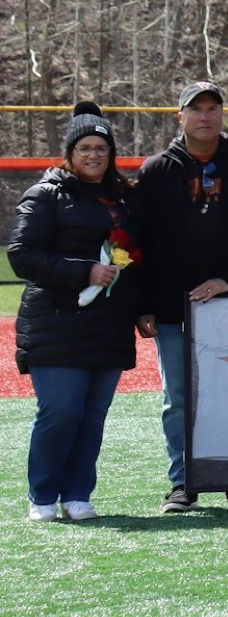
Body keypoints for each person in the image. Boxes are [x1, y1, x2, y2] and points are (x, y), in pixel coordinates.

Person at [132, 81, 228, 512]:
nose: (206, 116)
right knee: (178, 398)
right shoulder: (157, 169)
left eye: (213, 108)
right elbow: (136, 241)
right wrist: (141, 303)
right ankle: (184, 482)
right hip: (172, 306)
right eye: (196, 109)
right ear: (181, 117)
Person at [9, 103, 144, 521]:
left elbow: (138, 260)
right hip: (56, 321)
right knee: (61, 411)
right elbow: (22, 256)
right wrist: (85, 270)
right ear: (69, 153)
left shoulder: (124, 198)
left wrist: (142, 308)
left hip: (108, 324)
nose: (93, 155)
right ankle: (43, 495)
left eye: (101, 147)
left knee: (92, 416)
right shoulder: (46, 194)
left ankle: (78, 493)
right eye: (84, 147)